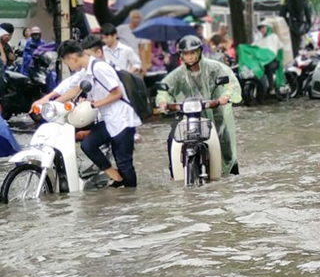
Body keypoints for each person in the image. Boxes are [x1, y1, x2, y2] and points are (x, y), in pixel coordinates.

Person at [56, 40, 141, 187]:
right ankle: (116, 178)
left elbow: (116, 93)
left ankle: (130, 198)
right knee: (88, 144)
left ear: (72, 59)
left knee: (125, 165)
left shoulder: (99, 68)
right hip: (109, 120)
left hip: (122, 120)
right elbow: (74, 89)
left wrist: (93, 104)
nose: (69, 67)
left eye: (67, 63)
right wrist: (53, 103)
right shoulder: (86, 71)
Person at [156, 35, 242, 176]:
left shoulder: (214, 67)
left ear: (199, 52)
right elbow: (164, 89)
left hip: (215, 112)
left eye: (192, 53)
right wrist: (163, 101)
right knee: (173, 138)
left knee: (225, 143)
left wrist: (225, 96)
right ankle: (174, 172)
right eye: (186, 54)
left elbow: (231, 82)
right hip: (189, 115)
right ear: (181, 55)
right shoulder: (178, 74)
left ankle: (231, 172)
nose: (189, 57)